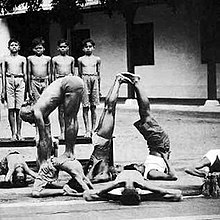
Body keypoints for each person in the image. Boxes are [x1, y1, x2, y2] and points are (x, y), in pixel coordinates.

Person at [84, 72, 177, 183]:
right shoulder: (149, 172)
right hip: (159, 145)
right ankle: (125, 81)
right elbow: (173, 176)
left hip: (101, 143)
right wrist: (165, 158)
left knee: (109, 109)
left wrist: (93, 165)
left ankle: (119, 81)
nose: (116, 168)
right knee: (114, 110)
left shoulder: (105, 173)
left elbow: (88, 179)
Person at [20, 75, 84, 168]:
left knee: (69, 118)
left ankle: (69, 152)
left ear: (29, 114)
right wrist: (48, 156)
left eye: (28, 120)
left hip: (68, 83)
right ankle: (70, 152)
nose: (31, 123)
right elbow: (48, 136)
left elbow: (43, 140)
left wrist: (43, 161)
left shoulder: (37, 112)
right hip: (73, 82)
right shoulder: (42, 112)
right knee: (72, 118)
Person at [83, 167, 182, 205]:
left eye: (127, 187)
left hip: (121, 174)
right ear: (137, 191)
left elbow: (87, 194)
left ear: (122, 191)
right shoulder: (143, 193)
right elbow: (177, 194)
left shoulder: (116, 193)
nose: (129, 184)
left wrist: (114, 185)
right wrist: (145, 187)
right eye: (132, 187)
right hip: (136, 173)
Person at [1, 38, 27, 141]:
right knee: (11, 109)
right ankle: (13, 133)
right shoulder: (5, 58)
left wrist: (27, 91)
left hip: (20, 80)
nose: (14, 47)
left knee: (19, 109)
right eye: (12, 45)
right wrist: (3, 90)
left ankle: (19, 133)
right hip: (9, 80)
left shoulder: (22, 59)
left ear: (19, 47)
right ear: (8, 47)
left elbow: (25, 74)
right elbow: (3, 74)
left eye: (16, 45)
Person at [52, 39, 75, 140]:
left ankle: (68, 131)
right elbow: (52, 74)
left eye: (65, 47)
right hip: (59, 81)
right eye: (61, 47)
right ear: (58, 48)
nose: (63, 49)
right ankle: (62, 131)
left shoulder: (71, 59)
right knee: (61, 109)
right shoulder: (55, 59)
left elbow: (73, 73)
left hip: (69, 82)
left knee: (69, 108)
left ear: (68, 48)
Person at [78, 38, 101, 138]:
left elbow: (99, 74)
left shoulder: (97, 59)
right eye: (86, 47)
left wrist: (99, 89)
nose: (88, 48)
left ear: (93, 48)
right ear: (83, 49)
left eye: (90, 46)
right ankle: (87, 130)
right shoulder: (80, 59)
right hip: (84, 79)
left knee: (93, 106)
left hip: (94, 79)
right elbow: (79, 74)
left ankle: (93, 129)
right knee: (85, 107)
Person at [27, 37, 51, 103]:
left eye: (40, 48)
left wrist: (50, 86)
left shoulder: (47, 59)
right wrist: (29, 89)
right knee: (36, 103)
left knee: (45, 103)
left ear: (44, 49)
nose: (38, 50)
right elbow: (29, 74)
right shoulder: (30, 58)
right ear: (33, 49)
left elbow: (49, 73)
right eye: (36, 48)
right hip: (34, 81)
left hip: (44, 82)